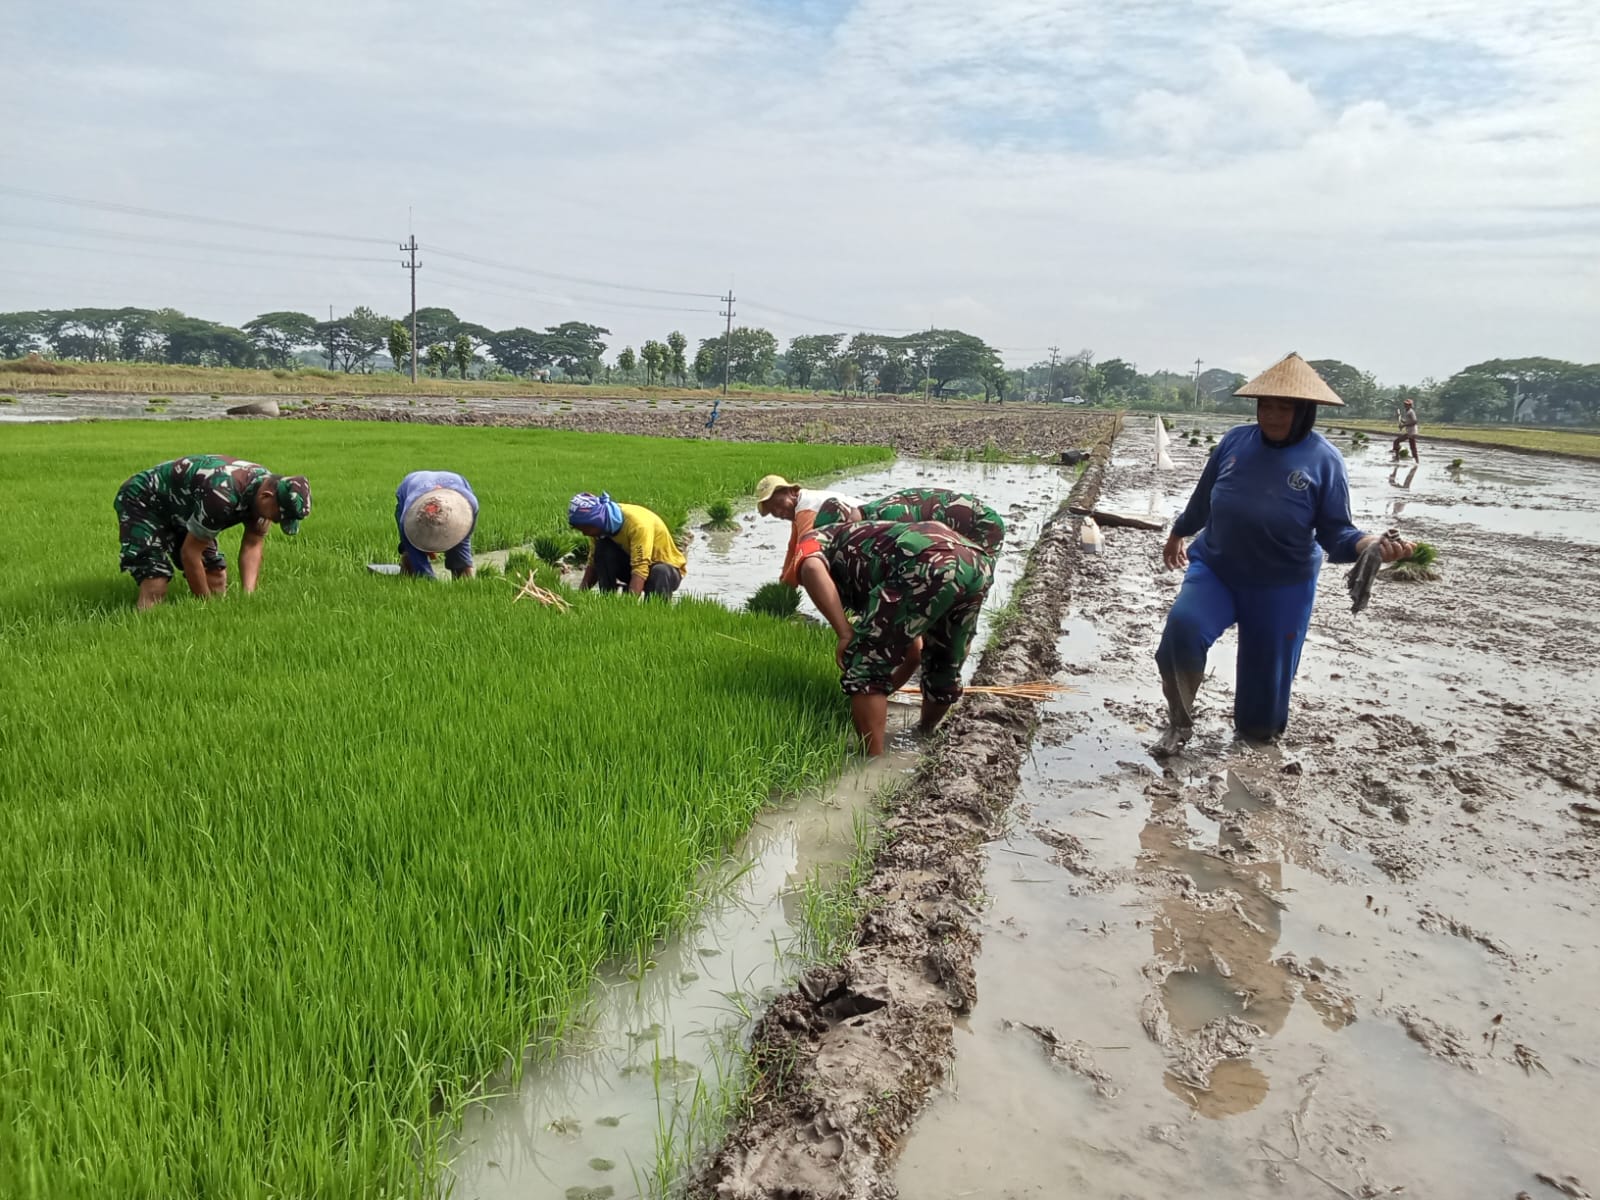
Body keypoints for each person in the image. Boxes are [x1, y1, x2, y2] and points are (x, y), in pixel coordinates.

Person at [1153, 353, 1415, 755]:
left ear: (1304, 412)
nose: (1272, 416)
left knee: (1261, 719)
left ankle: (1256, 741)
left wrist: (1369, 546)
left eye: (1284, 408)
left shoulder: (1324, 460)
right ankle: (1178, 723)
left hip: (1281, 585)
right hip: (1218, 570)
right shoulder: (1234, 442)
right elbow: (1204, 498)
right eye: (1266, 406)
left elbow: (1336, 531)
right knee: (1182, 630)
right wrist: (1179, 532)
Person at [794, 520, 993, 756]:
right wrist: (882, 693)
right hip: (975, 563)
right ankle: (924, 736)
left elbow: (811, 568)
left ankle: (871, 763)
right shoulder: (867, 535)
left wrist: (845, 634)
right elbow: (913, 652)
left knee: (867, 665)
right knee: (944, 659)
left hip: (925, 561)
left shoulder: (812, 538)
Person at [113, 454, 311, 610]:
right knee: (155, 580)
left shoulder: (266, 493)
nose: (276, 521)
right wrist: (205, 607)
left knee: (215, 573)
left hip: (185, 507)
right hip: (144, 500)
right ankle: (147, 625)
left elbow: (253, 543)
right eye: (278, 516)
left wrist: (248, 595)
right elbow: (190, 553)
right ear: (267, 497)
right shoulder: (222, 495)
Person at [813, 487, 1006, 559]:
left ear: (847, 523)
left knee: (974, 576)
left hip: (982, 525)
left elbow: (911, 552)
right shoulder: (871, 511)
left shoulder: (889, 517)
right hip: (959, 524)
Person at [568, 491, 686, 599]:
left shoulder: (638, 525)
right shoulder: (598, 529)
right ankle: (608, 599)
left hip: (664, 571)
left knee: (660, 571)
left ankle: (656, 611)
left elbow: (640, 568)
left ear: (596, 521)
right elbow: (593, 562)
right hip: (631, 565)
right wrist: (579, 596)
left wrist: (629, 605)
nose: (584, 533)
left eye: (585, 529)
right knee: (602, 548)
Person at [753, 474, 862, 586]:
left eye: (779, 503)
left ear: (792, 491)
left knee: (813, 564)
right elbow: (793, 547)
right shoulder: (799, 507)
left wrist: (787, 585)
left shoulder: (807, 509)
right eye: (772, 510)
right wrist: (783, 581)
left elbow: (802, 552)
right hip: (855, 539)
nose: (778, 512)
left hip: (867, 538)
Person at [396, 470, 478, 580]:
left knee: (460, 555)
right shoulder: (407, 517)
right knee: (412, 554)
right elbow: (416, 557)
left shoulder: (469, 504)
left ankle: (463, 578)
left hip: (455, 480)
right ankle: (407, 574)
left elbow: (464, 533)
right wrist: (427, 579)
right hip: (411, 485)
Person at [1393, 396, 1421, 461]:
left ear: (1410, 405)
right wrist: (1400, 419)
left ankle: (1397, 458)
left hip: (1412, 432)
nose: (1405, 405)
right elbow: (1407, 422)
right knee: (1412, 447)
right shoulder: (1408, 412)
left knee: (1396, 442)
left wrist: (1403, 425)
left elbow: (1414, 421)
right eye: (1405, 404)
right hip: (1410, 432)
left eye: (1407, 404)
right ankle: (1416, 460)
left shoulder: (1411, 412)